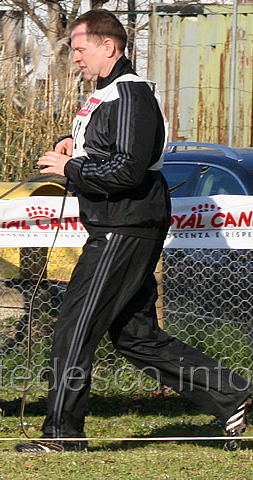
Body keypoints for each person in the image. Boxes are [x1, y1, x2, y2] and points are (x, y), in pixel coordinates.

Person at [15, 9, 252, 453]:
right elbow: (114, 151)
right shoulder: (106, 94)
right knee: (133, 336)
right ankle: (230, 393)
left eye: (80, 50)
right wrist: (78, 147)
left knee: (75, 326)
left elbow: (127, 169)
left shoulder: (130, 96)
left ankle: (62, 435)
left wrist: (72, 167)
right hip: (116, 223)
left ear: (110, 46)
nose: (76, 59)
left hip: (123, 225)